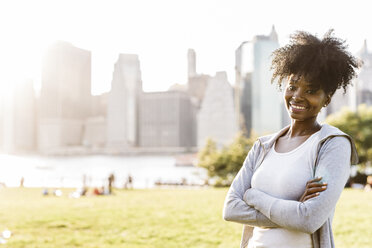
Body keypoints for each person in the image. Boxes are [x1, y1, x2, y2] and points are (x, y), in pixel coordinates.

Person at [223, 30, 360, 248]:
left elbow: (309, 220)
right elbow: (230, 209)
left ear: (327, 99)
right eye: (292, 86)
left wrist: (253, 196)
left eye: (311, 90)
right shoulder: (263, 146)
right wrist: (293, 209)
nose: (297, 96)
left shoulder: (333, 144)